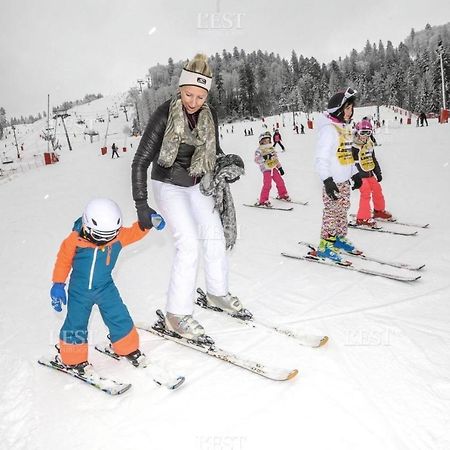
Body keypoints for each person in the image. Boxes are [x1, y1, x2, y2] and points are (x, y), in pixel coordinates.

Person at [131, 53, 245, 341]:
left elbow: (213, 150)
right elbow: (140, 161)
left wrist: (226, 163)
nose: (193, 101)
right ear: (180, 89)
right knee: (189, 244)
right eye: (188, 94)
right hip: (168, 183)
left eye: (200, 95)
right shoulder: (163, 114)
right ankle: (176, 314)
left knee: (214, 234)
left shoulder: (209, 114)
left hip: (197, 182)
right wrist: (141, 204)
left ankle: (217, 292)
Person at [50, 198, 165, 374]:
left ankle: (126, 347)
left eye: (110, 235)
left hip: (105, 288)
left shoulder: (118, 237)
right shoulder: (74, 240)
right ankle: (73, 359)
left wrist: (148, 223)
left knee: (118, 315)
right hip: (79, 291)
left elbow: (135, 232)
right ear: (87, 227)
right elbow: (63, 261)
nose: (105, 241)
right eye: (99, 236)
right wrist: (58, 284)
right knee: (75, 324)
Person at [314, 88, 362, 263]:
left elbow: (347, 154)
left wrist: (355, 173)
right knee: (331, 213)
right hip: (332, 182)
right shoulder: (328, 130)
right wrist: (327, 180)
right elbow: (321, 158)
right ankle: (325, 245)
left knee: (342, 211)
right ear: (338, 109)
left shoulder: (344, 128)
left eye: (351, 108)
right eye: (347, 108)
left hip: (344, 181)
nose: (351, 112)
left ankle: (339, 238)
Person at [352, 119, 392, 227]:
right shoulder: (354, 146)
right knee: (365, 193)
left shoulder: (369, 143)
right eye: (362, 133)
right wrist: (356, 177)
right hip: (360, 174)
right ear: (357, 132)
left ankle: (378, 211)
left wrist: (378, 172)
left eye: (368, 133)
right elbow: (352, 163)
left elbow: (373, 158)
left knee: (377, 189)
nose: (365, 136)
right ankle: (362, 218)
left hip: (369, 172)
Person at [254, 131, 290, 207]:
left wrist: (280, 168)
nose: (267, 142)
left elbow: (275, 159)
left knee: (280, 181)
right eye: (265, 140)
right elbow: (256, 160)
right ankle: (263, 200)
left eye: (268, 140)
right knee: (267, 184)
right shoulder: (259, 150)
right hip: (266, 169)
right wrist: (264, 158)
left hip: (273, 168)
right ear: (261, 141)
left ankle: (283, 194)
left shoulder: (271, 148)